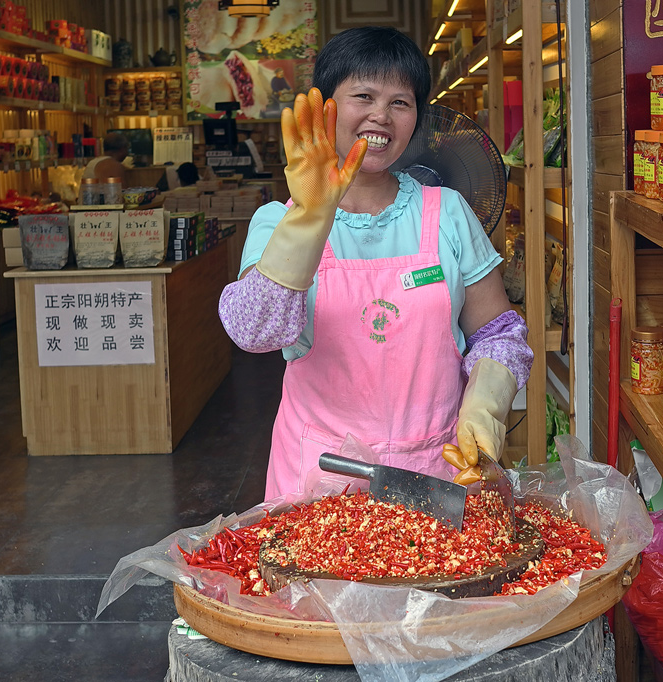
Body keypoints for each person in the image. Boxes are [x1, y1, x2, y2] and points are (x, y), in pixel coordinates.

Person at [218, 27, 533, 500]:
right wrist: (309, 219)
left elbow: (499, 332)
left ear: (417, 118)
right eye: (362, 96)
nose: (380, 116)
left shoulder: (446, 211)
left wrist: (483, 409)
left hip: (438, 470)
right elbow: (256, 333)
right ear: (325, 107)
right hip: (319, 480)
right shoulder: (276, 221)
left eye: (400, 102)